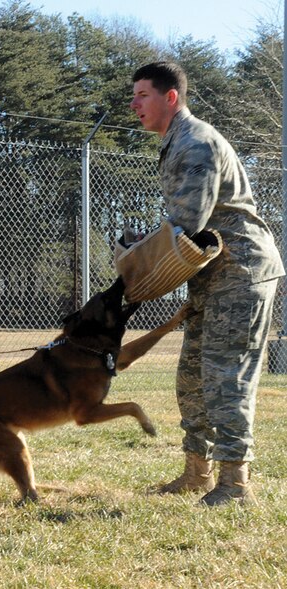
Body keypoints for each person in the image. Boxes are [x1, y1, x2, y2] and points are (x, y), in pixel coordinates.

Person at [129, 61, 284, 506]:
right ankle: (198, 472)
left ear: (170, 97)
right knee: (193, 378)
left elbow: (188, 223)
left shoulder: (194, 143)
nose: (134, 104)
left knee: (225, 376)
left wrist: (139, 259)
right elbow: (184, 226)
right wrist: (144, 243)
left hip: (242, 272)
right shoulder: (176, 141)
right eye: (134, 96)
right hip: (211, 276)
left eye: (142, 95)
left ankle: (235, 484)